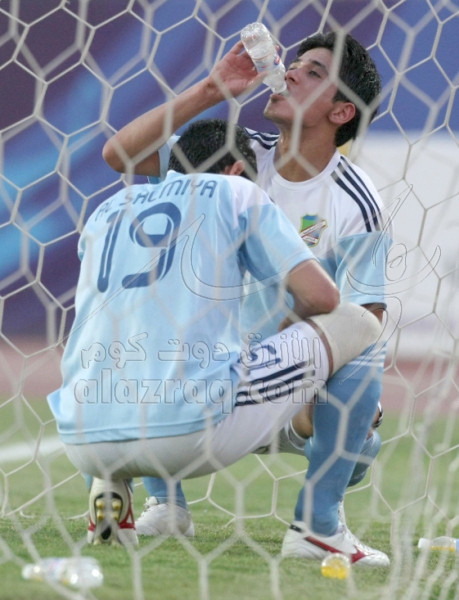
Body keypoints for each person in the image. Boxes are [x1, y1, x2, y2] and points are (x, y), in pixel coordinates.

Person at [102, 31, 392, 562]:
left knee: (363, 378)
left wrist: (314, 377)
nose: (291, 71)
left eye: (313, 72)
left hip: (292, 386)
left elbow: (367, 314)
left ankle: (319, 525)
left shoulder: (355, 201)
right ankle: (167, 504)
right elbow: (120, 154)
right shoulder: (232, 155)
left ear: (341, 112)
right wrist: (212, 89)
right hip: (201, 379)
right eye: (295, 62)